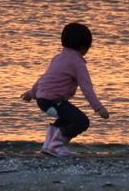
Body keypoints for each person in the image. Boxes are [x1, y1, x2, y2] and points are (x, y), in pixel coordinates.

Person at [21, 22, 110, 156]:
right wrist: (99, 107)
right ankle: (57, 145)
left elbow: (44, 77)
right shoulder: (77, 62)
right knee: (81, 121)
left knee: (67, 118)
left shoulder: (58, 57)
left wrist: (32, 93)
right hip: (53, 101)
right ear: (85, 45)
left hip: (43, 100)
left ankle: (48, 143)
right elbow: (87, 88)